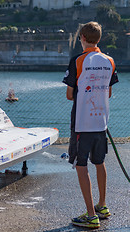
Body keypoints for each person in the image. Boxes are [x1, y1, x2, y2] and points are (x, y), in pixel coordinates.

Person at [63, 22, 119, 229]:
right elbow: (109, 93)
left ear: (82, 38)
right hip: (101, 121)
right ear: (99, 39)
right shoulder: (109, 61)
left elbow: (70, 95)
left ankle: (90, 215)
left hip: (82, 122)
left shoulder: (78, 60)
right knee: (99, 162)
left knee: (80, 164)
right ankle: (102, 206)